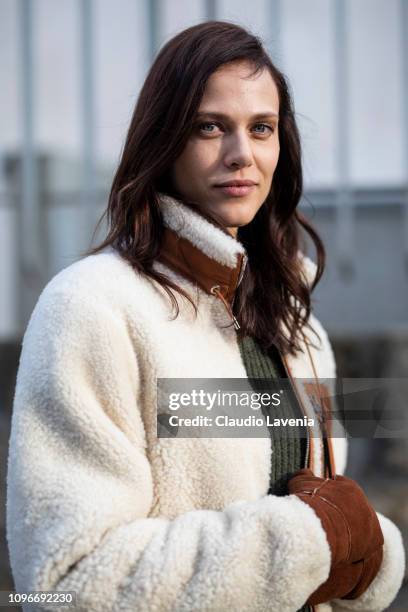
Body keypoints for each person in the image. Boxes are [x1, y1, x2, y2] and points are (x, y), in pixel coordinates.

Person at [6, 20, 404, 612]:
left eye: (261, 128)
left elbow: (331, 511)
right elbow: (62, 583)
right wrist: (306, 544)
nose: (241, 153)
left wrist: (371, 554)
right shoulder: (91, 307)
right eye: (209, 126)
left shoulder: (298, 328)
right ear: (164, 141)